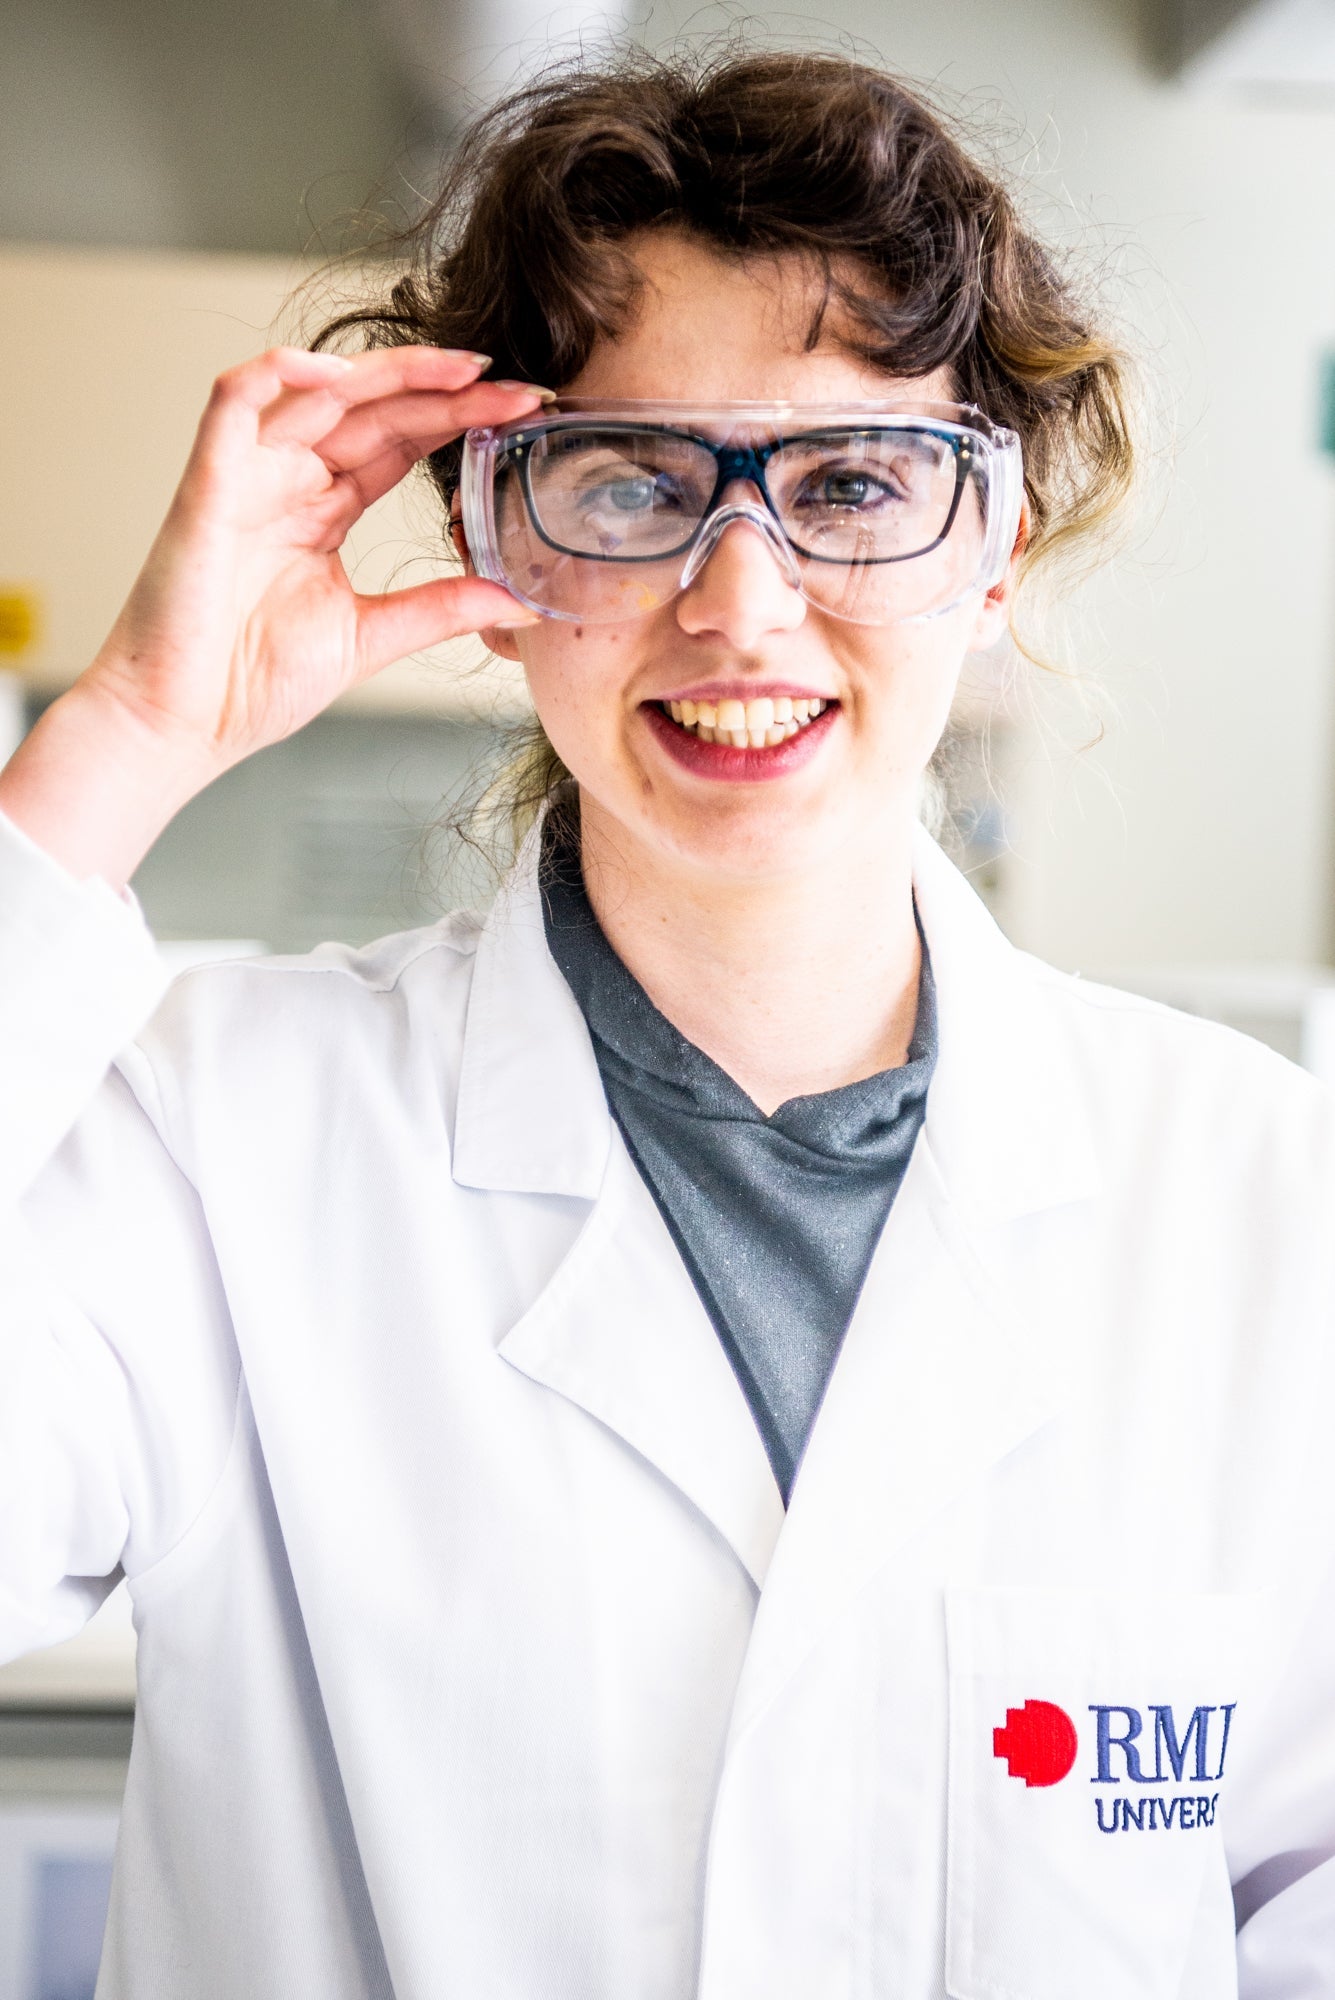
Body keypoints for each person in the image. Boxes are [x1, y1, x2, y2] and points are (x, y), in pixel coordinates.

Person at [1, 46, 1332, 2000]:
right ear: (492, 538)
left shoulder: (1248, 1191)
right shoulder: (214, 1134)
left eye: (853, 483)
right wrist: (112, 744)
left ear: (993, 551)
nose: (738, 598)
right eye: (628, 481)